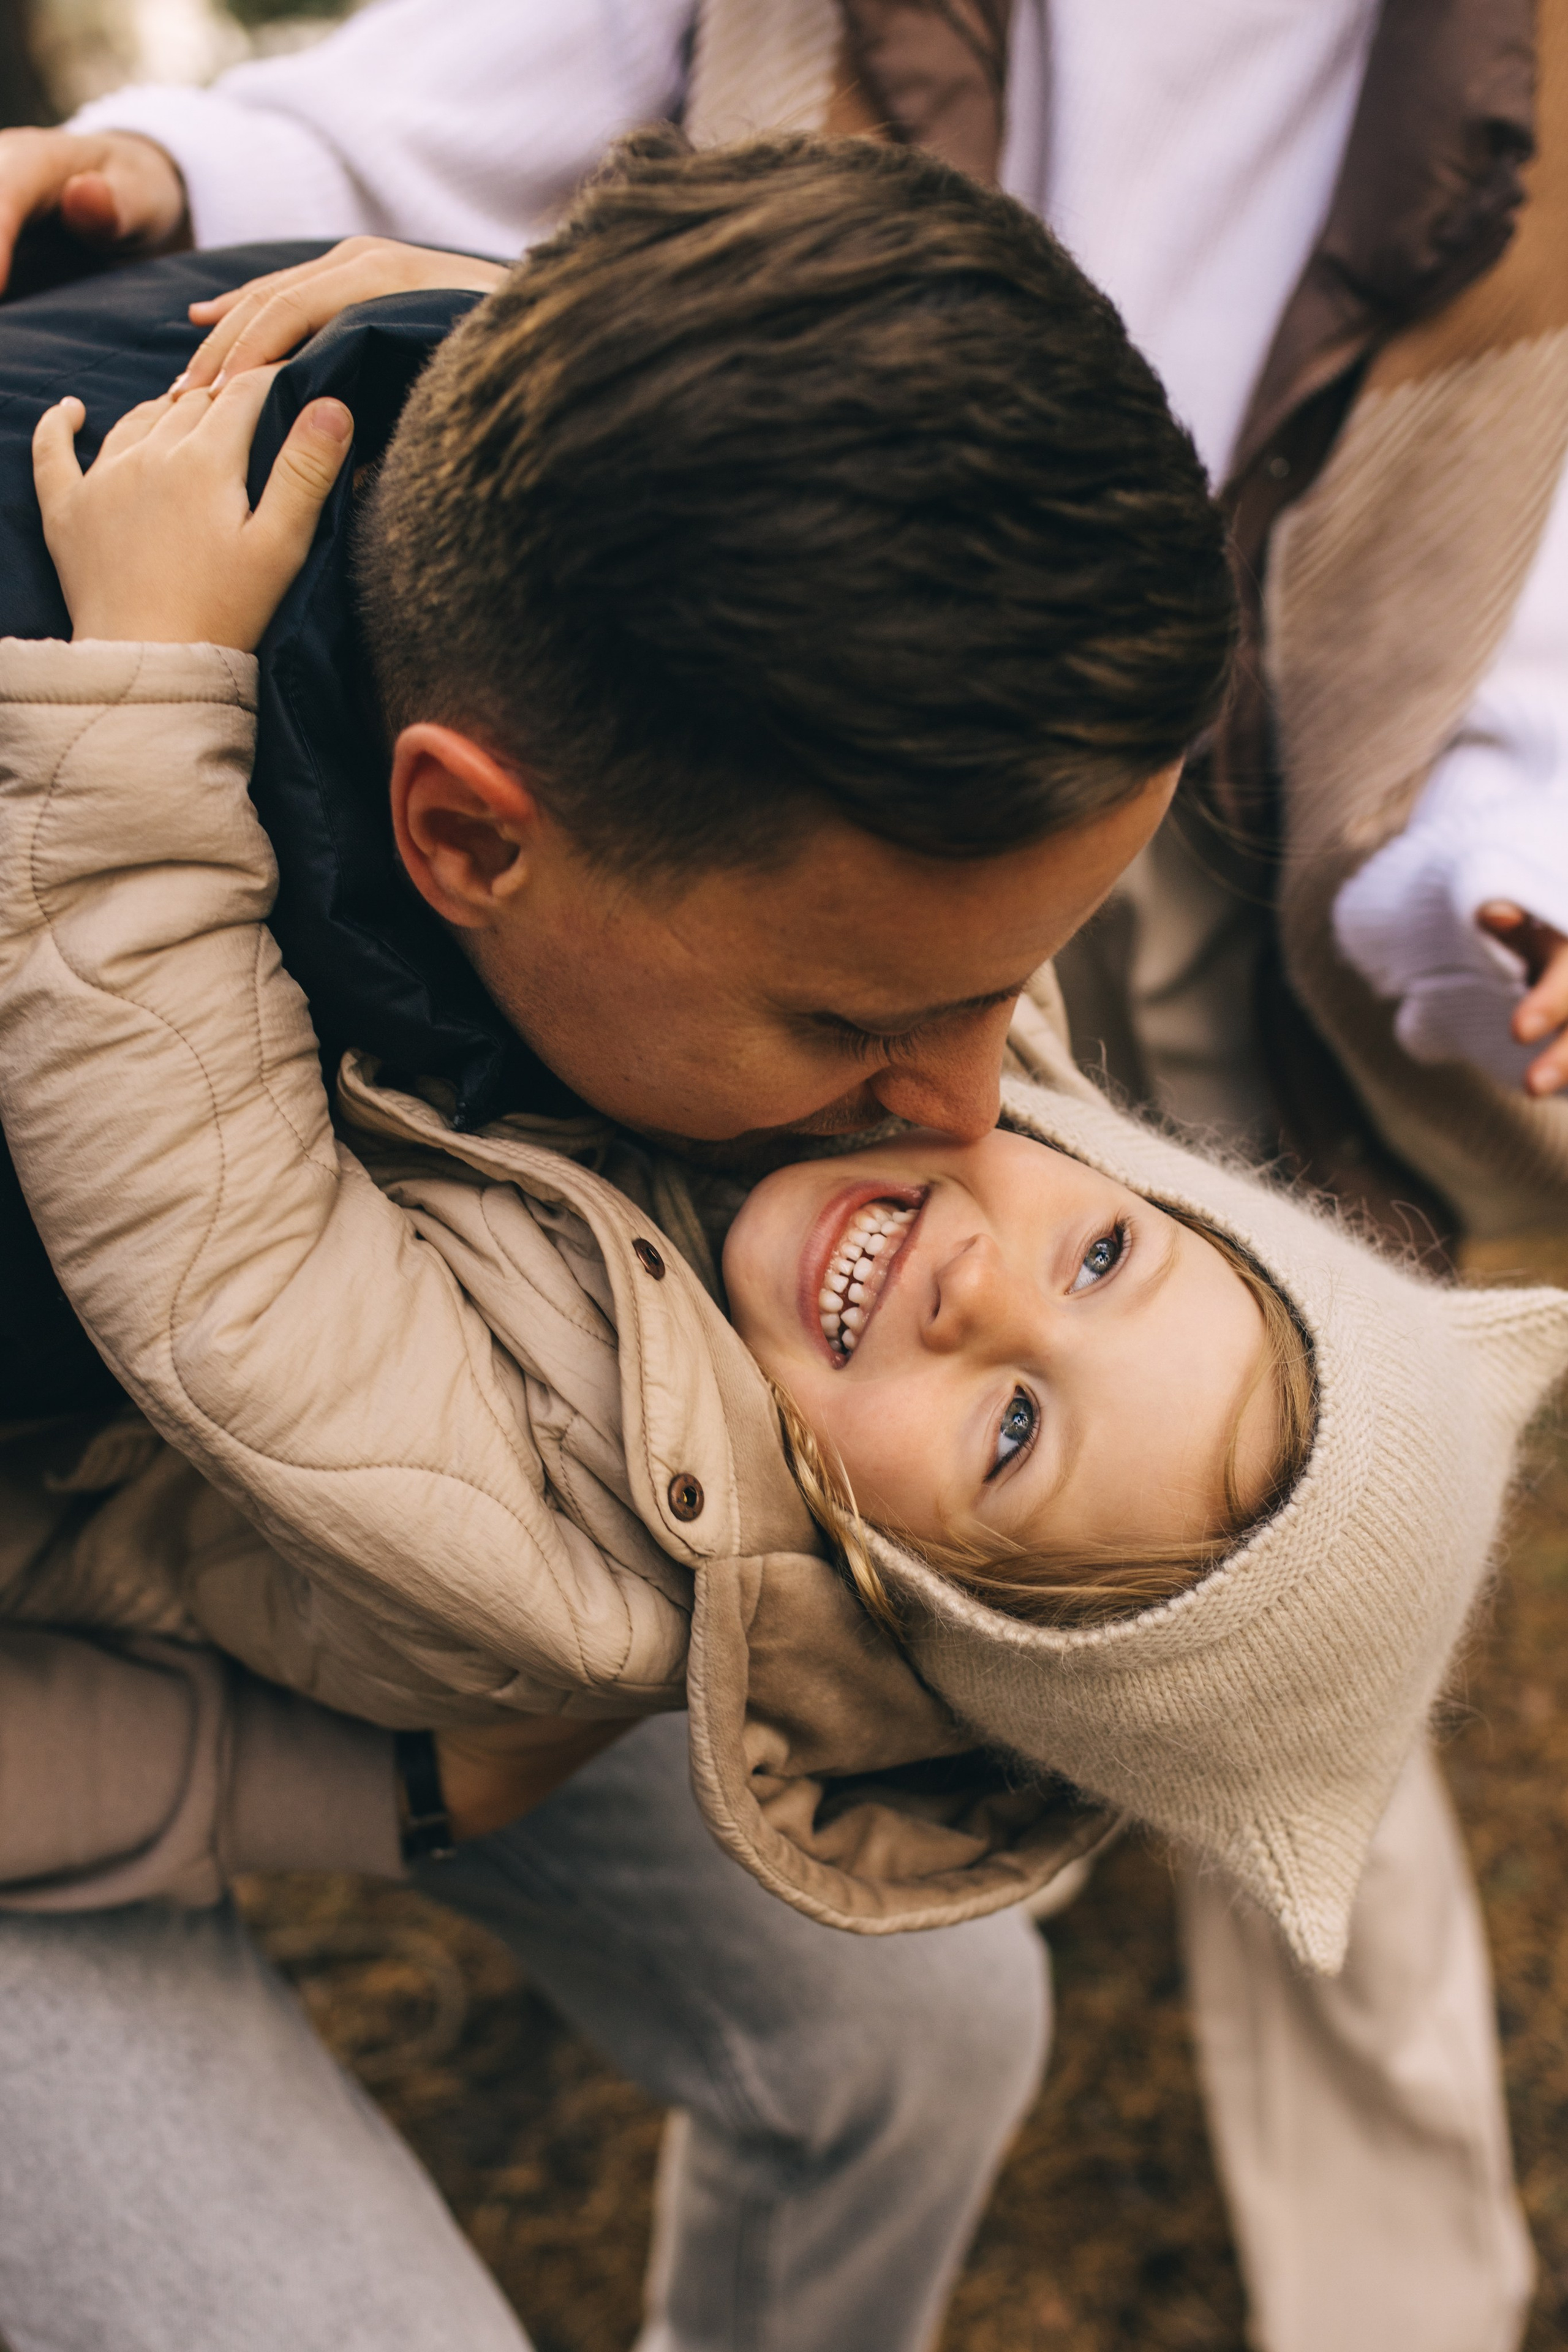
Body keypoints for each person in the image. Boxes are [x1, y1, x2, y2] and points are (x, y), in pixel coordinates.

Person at [0, 9, 1554, 2337]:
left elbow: (215, 1232)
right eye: (1109, 1256)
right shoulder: (950, 1144)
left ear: (927, 1593)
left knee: (930, 2034)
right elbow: (674, 365)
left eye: (1011, 1433)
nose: (969, 1188)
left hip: (221, 1513)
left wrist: (145, 699)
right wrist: (455, 332)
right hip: (132, 1601)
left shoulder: (569, 1558)